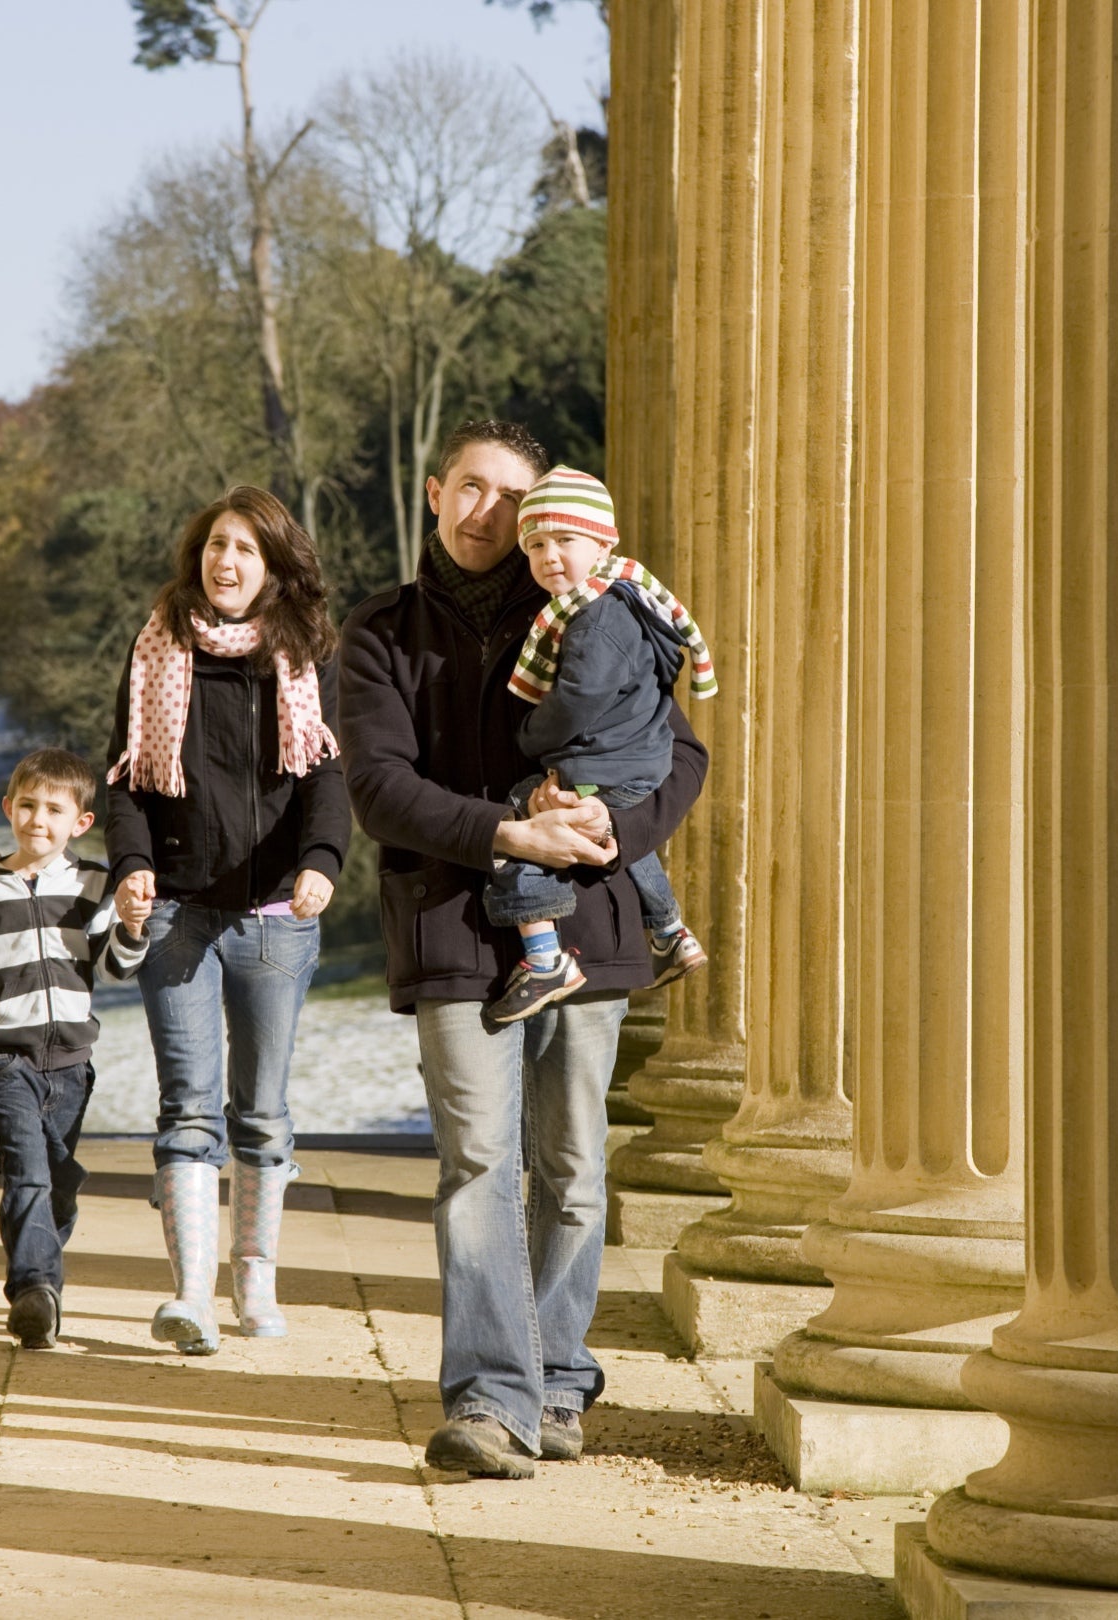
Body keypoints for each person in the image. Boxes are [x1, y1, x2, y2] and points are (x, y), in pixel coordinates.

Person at [332, 420, 707, 1477]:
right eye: (470, 488)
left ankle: (556, 1383)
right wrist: (509, 832)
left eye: (511, 494)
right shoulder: (381, 631)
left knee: (576, 1165)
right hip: (452, 922)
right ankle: (491, 1397)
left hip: (586, 917)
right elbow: (378, 787)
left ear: (547, 513)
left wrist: (608, 835)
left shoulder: (601, 607)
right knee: (481, 1163)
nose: (488, 509)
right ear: (434, 494)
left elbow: (679, 752)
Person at [105, 485, 351, 1354]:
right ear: (197, 556)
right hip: (177, 911)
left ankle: (255, 1279)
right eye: (217, 545)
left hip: (277, 916)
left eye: (246, 548)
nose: (227, 561)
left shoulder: (303, 657)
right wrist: (131, 865)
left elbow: (327, 780)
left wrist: (321, 865)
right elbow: (126, 779)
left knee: (263, 1113)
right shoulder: (155, 650)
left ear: (274, 566)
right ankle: (192, 1298)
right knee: (187, 1110)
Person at [0, 748, 146, 1351]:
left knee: (57, 1180)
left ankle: (40, 1272)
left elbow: (116, 967)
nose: (39, 820)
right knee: (27, 1173)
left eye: (54, 810)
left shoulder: (94, 887)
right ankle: (35, 1290)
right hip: (5, 1059)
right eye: (28, 805)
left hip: (70, 1063)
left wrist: (133, 926)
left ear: (79, 823)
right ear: (9, 808)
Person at [483, 465, 715, 1021]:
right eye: (535, 544)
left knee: (517, 818)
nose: (549, 556)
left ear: (602, 541)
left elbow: (578, 698)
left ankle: (544, 959)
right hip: (638, 762)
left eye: (565, 539)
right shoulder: (629, 600)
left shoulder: (592, 619)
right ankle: (669, 930)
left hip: (610, 762)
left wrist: (532, 737)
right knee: (617, 833)